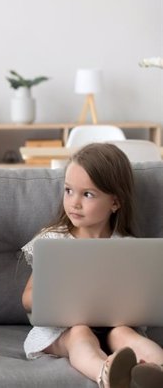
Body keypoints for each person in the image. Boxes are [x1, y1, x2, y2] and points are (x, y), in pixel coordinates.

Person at [21, 143, 163, 388]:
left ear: (115, 203)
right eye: (68, 190)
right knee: (80, 334)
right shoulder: (53, 240)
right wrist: (59, 297)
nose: (74, 202)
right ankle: (106, 375)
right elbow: (27, 298)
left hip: (116, 325)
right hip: (63, 330)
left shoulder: (129, 247)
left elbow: (144, 299)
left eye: (87, 194)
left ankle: (155, 371)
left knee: (125, 335)